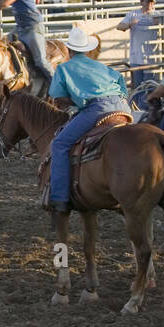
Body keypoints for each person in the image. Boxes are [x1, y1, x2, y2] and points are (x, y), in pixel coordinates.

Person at [45, 25, 130, 213]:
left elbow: (58, 98)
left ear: (69, 49)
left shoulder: (64, 68)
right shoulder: (101, 66)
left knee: (60, 144)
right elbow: (122, 87)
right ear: (86, 48)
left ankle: (59, 198)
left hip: (97, 109)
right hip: (124, 108)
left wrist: (74, 100)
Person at [115, 0, 158, 87]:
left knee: (151, 87)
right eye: (147, 2)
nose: (149, 4)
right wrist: (130, 24)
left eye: (151, 2)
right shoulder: (133, 14)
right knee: (138, 87)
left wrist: (158, 24)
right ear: (141, 2)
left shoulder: (157, 15)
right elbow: (119, 26)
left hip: (152, 58)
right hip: (136, 57)